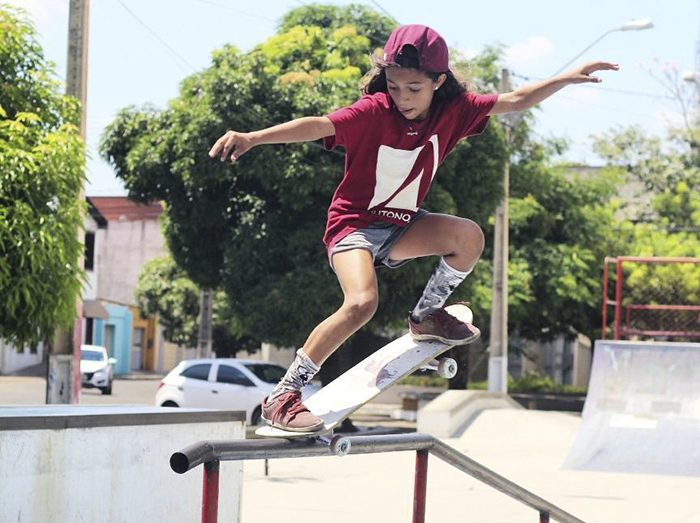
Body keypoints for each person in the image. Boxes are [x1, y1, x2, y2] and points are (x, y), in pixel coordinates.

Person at [209, 24, 618, 432]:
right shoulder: (373, 111)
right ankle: (284, 393)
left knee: (468, 237)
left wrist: (565, 77)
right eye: (394, 85)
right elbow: (318, 124)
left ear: (439, 82)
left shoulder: (457, 109)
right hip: (353, 226)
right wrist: (253, 137)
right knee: (362, 303)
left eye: (414, 88)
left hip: (401, 225)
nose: (402, 97)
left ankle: (425, 316)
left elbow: (515, 100)